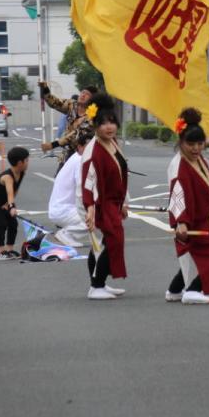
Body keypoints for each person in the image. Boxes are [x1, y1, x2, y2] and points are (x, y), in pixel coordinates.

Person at [166, 108, 209, 305]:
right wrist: (181, 222)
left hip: (202, 216)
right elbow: (177, 196)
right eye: (190, 144)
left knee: (196, 256)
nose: (195, 148)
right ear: (181, 142)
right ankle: (192, 290)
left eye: (200, 143)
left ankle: (175, 290)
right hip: (192, 221)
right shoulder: (180, 166)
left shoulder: (198, 159)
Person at [81, 93, 129, 300]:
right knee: (114, 239)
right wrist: (90, 207)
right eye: (102, 123)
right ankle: (97, 285)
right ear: (94, 125)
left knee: (105, 243)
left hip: (112, 201)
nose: (109, 127)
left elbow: (120, 171)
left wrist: (124, 201)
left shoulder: (111, 142)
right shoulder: (93, 150)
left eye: (112, 122)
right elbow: (88, 181)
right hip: (100, 202)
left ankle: (99, 283)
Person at [48, 128, 93, 248]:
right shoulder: (80, 161)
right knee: (96, 217)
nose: (91, 150)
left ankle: (69, 233)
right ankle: (67, 234)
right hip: (64, 210)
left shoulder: (77, 159)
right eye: (88, 147)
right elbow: (82, 188)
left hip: (63, 209)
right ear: (79, 147)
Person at [0, 146, 29, 260]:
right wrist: (11, 207)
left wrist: (8, 204)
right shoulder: (8, 176)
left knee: (13, 224)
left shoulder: (22, 172)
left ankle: (9, 250)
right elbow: (9, 192)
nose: (28, 162)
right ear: (20, 162)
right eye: (27, 160)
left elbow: (15, 190)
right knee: (2, 223)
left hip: (4, 200)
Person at [39, 82, 97, 169]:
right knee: (60, 179)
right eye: (82, 92)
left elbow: (76, 134)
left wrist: (53, 145)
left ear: (92, 99)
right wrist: (45, 89)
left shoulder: (93, 114)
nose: (83, 95)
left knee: (80, 181)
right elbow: (54, 102)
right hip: (67, 153)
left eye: (87, 94)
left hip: (84, 153)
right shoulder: (72, 105)